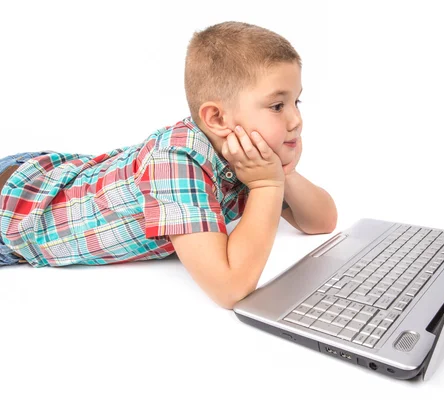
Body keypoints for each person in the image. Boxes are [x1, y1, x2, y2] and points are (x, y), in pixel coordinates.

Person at [0, 21, 338, 309]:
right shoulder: (177, 163)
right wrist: (267, 187)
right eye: (278, 106)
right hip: (17, 211)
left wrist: (283, 173)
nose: (296, 120)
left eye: (297, 101)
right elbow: (230, 288)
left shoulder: (245, 155)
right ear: (217, 117)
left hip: (60, 178)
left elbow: (322, 222)